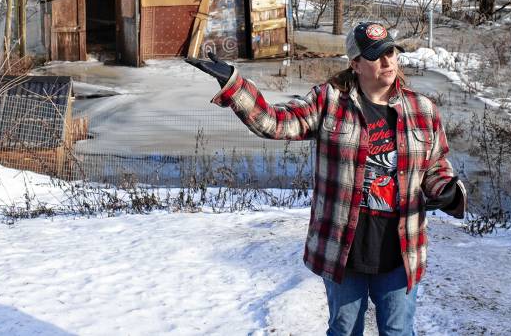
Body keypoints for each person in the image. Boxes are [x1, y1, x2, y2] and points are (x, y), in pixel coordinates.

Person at [187, 21, 465, 336]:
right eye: (376, 55)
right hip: (343, 248)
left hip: (400, 248)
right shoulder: (329, 102)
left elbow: (435, 163)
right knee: (344, 330)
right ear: (355, 63)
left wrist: (447, 189)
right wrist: (236, 86)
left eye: (391, 52)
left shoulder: (422, 109)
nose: (387, 62)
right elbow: (276, 123)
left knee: (398, 330)